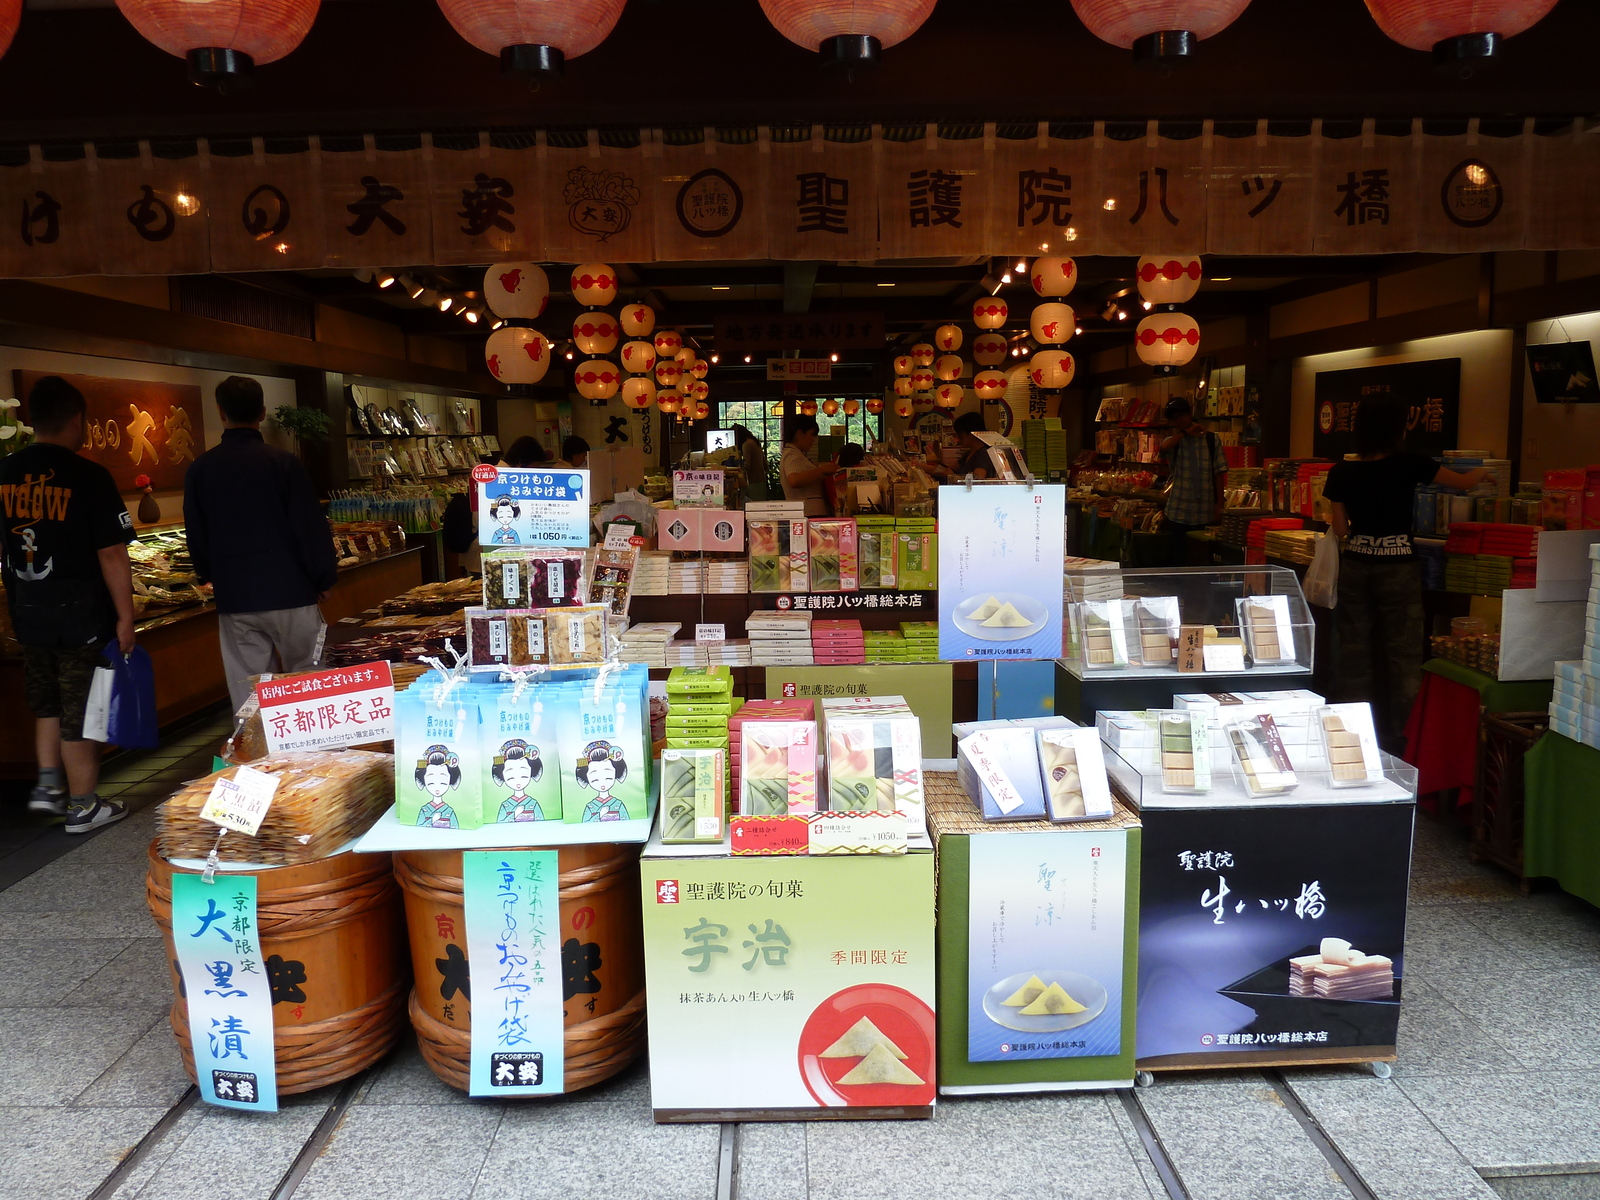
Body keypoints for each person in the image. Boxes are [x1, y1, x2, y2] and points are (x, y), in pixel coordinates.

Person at [1, 375, 136, 832]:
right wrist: (126, 617)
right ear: (77, 420)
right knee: (82, 707)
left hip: (28, 609)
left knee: (47, 701)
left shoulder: (4, 473)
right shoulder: (89, 476)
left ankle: (48, 786)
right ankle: (83, 805)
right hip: (80, 613)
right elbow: (113, 553)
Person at [1323, 397, 1487, 742]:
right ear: (1397, 429)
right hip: (1399, 568)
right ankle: (1407, 739)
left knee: (1353, 651)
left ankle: (1351, 739)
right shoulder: (1411, 464)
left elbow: (1340, 529)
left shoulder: (1341, 472)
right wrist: (1485, 470)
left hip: (1355, 565)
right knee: (1405, 654)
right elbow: (1464, 483)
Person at [184, 376, 338, 711]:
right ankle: (318, 758)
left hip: (236, 596)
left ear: (220, 412)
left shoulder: (201, 468)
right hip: (292, 592)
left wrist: (206, 574)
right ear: (263, 412)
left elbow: (196, 531)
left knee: (250, 691)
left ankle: (258, 760)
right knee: (309, 678)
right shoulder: (283, 464)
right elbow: (309, 527)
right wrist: (323, 578)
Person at [1157, 397, 1228, 566]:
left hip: (1205, 509)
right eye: (1174, 419)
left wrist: (1219, 503)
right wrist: (1184, 433)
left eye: (1182, 416)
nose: (1179, 421)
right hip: (1178, 509)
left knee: (1202, 557)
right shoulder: (1175, 442)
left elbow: (1219, 472)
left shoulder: (1211, 440)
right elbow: (1163, 449)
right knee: (1178, 559)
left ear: (1190, 414)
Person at [780, 414, 838, 517]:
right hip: (807, 514)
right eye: (812, 434)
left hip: (810, 513)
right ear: (800, 433)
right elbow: (794, 480)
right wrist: (821, 470)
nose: (813, 439)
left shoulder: (797, 455)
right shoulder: (792, 454)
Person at [732, 424, 769, 502]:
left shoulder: (746, 445)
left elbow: (747, 466)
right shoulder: (755, 443)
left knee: (753, 507)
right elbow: (765, 464)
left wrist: (736, 469)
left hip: (752, 482)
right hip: (761, 481)